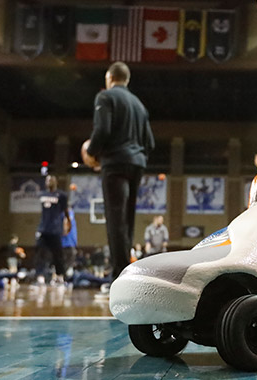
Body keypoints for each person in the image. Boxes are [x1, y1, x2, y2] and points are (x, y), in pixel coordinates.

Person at [82, 61, 155, 281]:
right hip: (137, 164)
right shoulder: (139, 105)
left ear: (109, 77)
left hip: (115, 163)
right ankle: (127, 273)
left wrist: (92, 153)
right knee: (127, 219)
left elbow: (102, 129)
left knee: (115, 219)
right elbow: (150, 142)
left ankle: (118, 276)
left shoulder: (105, 97)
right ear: (127, 79)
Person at [36, 175, 69, 284]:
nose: (49, 181)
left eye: (51, 180)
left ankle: (60, 276)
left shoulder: (62, 195)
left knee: (58, 255)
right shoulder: (42, 195)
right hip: (43, 229)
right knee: (41, 253)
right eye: (47, 180)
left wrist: (67, 223)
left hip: (55, 230)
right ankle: (40, 276)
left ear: (55, 182)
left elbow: (65, 211)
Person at [61, 206, 78, 279]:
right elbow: (66, 221)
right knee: (66, 264)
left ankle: (64, 278)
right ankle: (64, 278)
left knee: (66, 264)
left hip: (69, 244)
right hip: (67, 244)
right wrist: (65, 231)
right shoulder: (68, 214)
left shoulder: (69, 214)